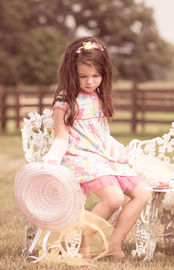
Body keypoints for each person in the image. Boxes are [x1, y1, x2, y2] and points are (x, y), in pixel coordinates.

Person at [43, 36, 151, 258]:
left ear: (104, 74)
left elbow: (101, 134)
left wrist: (117, 150)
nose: (90, 81)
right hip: (79, 158)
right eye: (83, 76)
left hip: (102, 158)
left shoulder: (99, 97)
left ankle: (114, 244)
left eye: (96, 76)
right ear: (72, 73)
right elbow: (62, 136)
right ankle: (84, 246)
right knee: (113, 198)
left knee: (143, 192)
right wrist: (52, 160)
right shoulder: (65, 100)